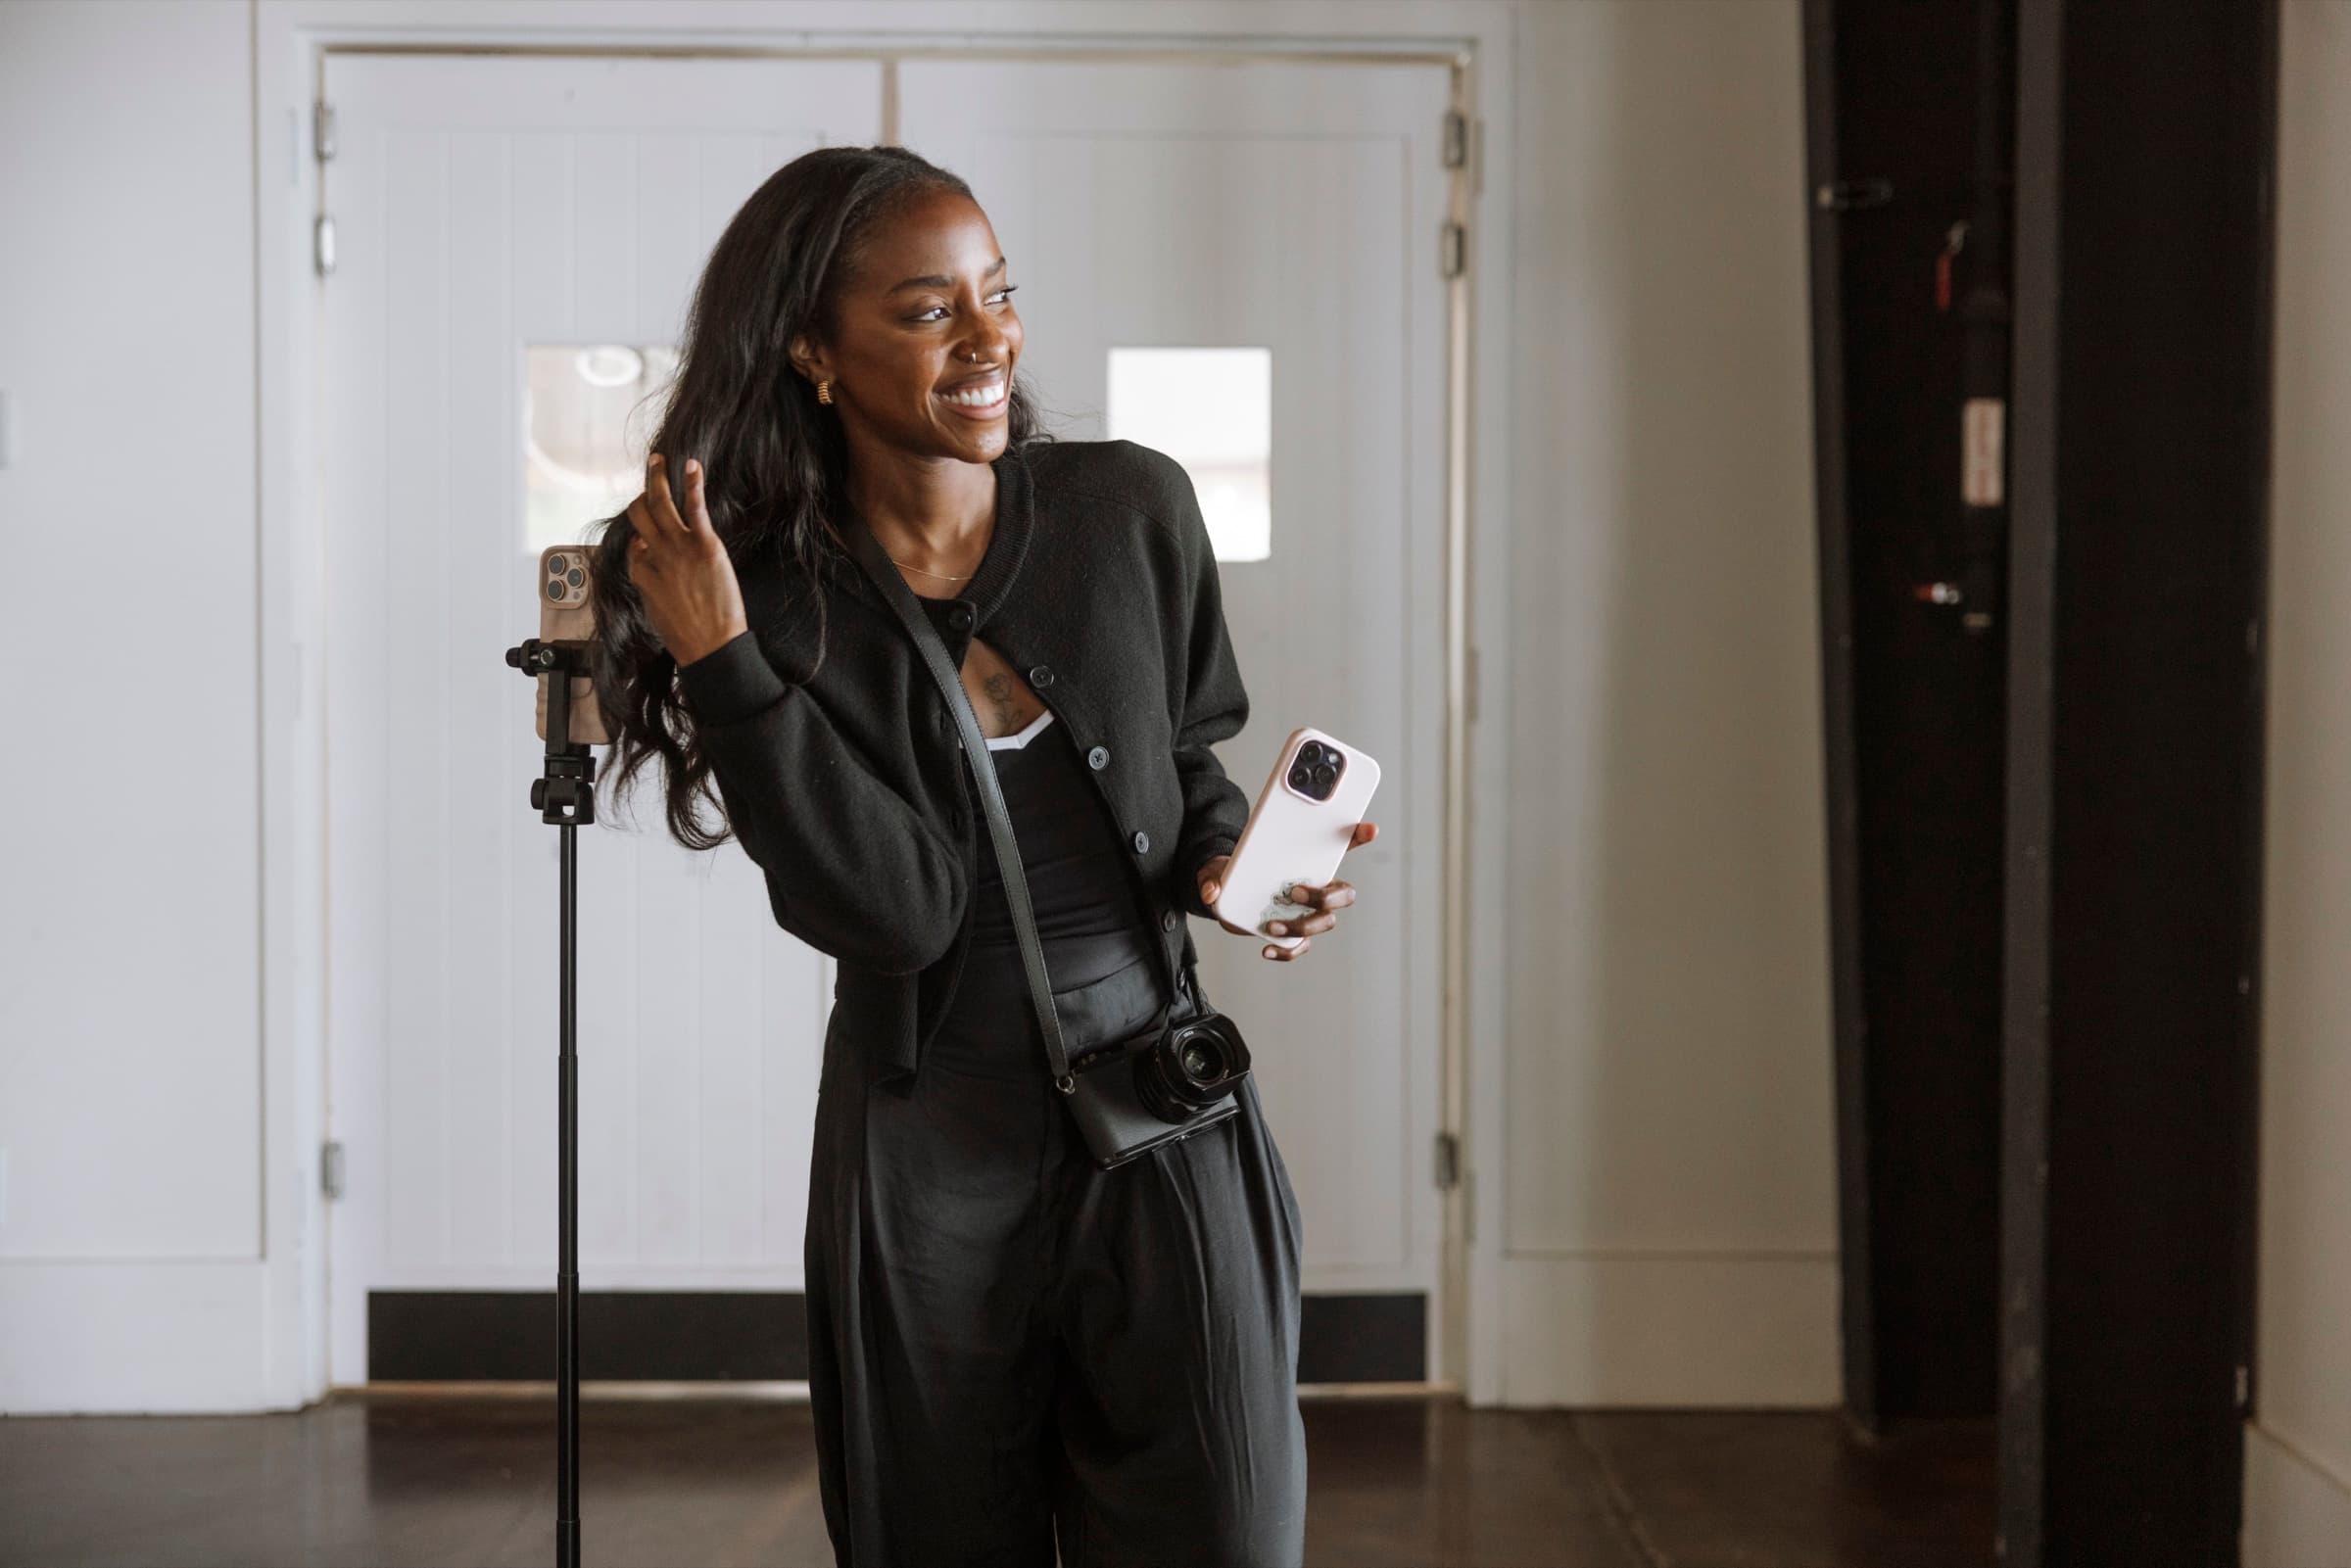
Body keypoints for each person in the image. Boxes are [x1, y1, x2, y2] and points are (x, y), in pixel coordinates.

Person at [586, 145, 1378, 1567]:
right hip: (926, 1141)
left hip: (1163, 1108)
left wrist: (1233, 870)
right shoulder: (768, 604)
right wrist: (724, 661)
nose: (989, 337)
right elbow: (893, 910)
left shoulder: (1129, 510)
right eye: (928, 309)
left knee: (1231, 1531)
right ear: (817, 352)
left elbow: (1186, 758)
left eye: (997, 294)